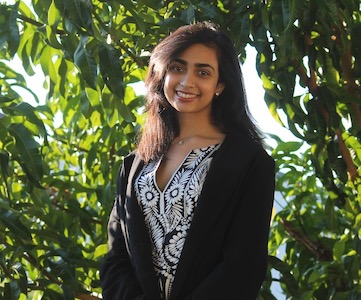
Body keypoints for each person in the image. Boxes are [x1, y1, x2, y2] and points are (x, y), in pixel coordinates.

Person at [100, 21, 275, 300]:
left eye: (202, 72)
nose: (186, 81)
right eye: (177, 68)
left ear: (220, 84)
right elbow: (116, 258)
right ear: (162, 73)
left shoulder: (250, 163)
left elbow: (244, 266)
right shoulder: (135, 164)